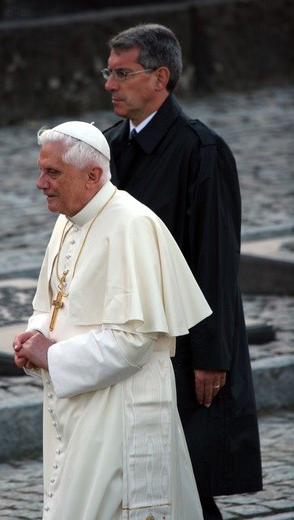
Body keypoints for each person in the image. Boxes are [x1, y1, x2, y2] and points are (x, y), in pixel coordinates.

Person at [102, 23, 263, 520]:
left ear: (160, 78)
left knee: (187, 482)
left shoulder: (201, 151)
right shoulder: (106, 148)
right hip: (126, 338)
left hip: (183, 345)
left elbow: (215, 261)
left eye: (122, 73)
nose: (109, 84)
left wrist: (212, 356)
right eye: (107, 73)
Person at [13, 121, 212, 520]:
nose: (40, 183)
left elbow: (133, 341)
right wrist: (34, 337)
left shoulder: (131, 226)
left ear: (93, 176)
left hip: (121, 412)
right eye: (41, 170)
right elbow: (54, 302)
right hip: (77, 407)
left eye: (52, 172)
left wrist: (52, 355)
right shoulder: (68, 220)